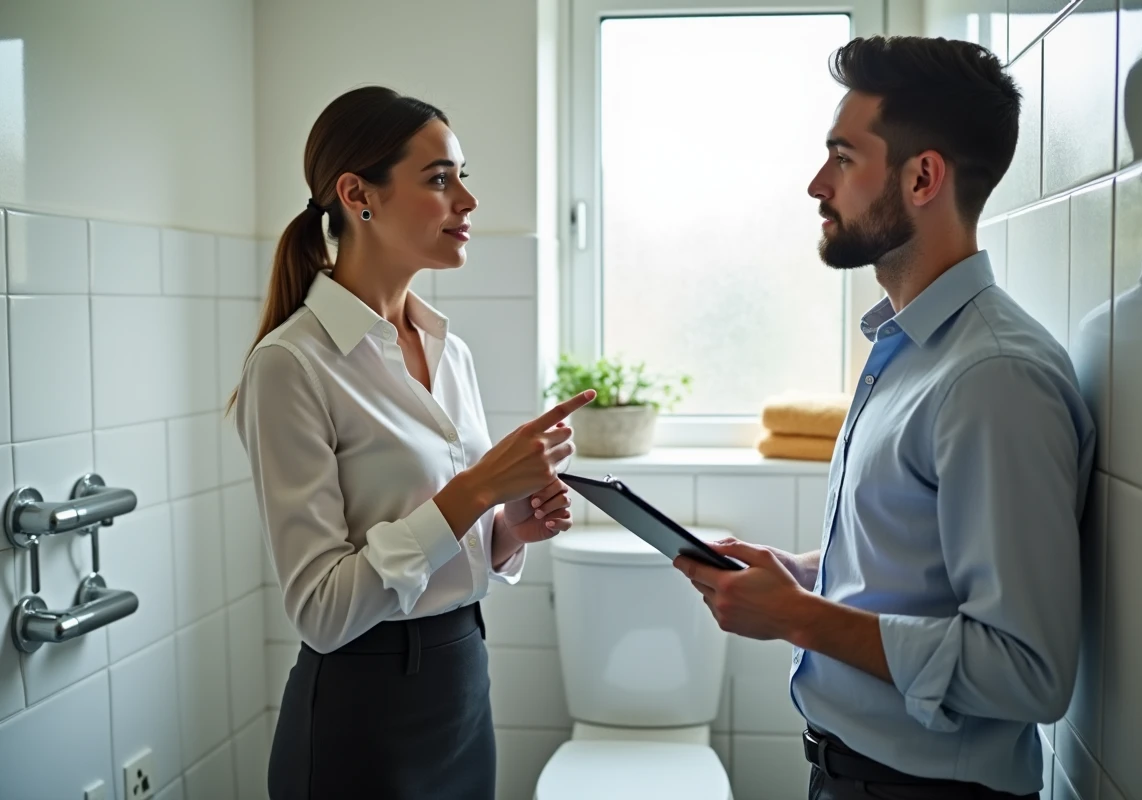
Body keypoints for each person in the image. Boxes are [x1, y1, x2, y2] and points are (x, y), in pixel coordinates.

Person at [674, 36, 1096, 799]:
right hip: (854, 774)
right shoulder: (908, 349)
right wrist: (800, 575)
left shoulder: (993, 376)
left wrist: (800, 618)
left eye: (841, 157)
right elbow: (915, 569)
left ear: (923, 176)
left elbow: (1028, 673)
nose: (815, 183)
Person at [231, 86, 595, 799]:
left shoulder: (446, 350)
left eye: (463, 175)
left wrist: (506, 531)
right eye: (439, 179)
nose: (467, 200)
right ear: (357, 194)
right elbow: (323, 610)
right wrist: (479, 489)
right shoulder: (291, 364)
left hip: (462, 688)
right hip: (362, 716)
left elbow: (446, 540)